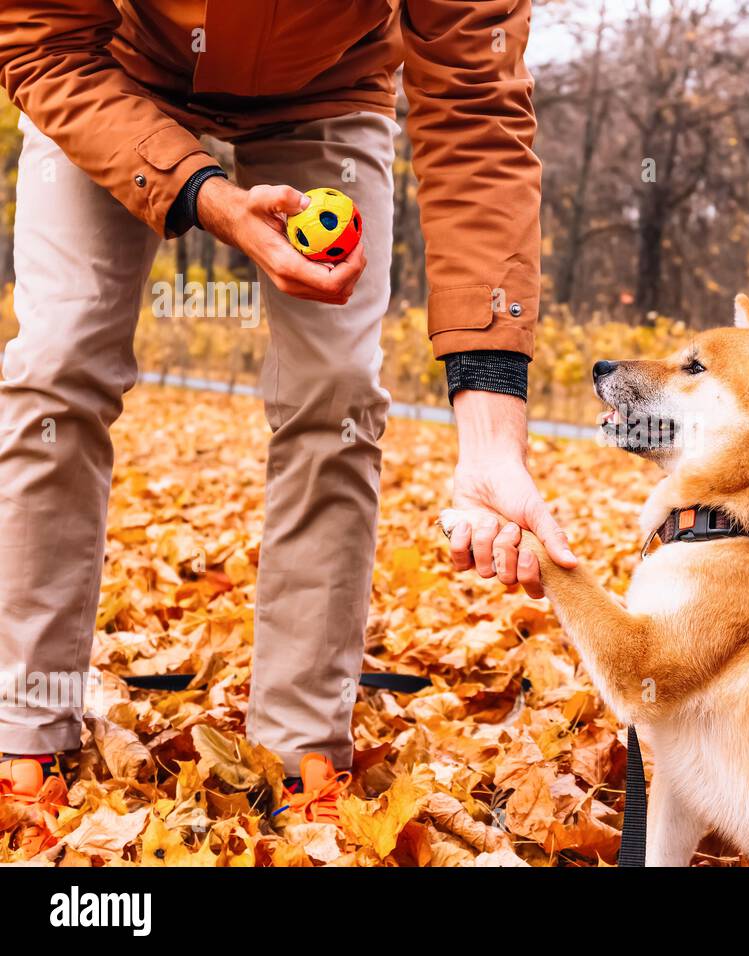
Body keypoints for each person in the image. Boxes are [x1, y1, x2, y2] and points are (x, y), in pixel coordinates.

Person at [0, 0, 575, 848]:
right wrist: (207, 196)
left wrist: (491, 433)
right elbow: (41, 40)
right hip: (110, 70)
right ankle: (25, 725)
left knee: (336, 390)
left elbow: (477, 109)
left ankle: (300, 740)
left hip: (327, 86)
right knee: (56, 363)